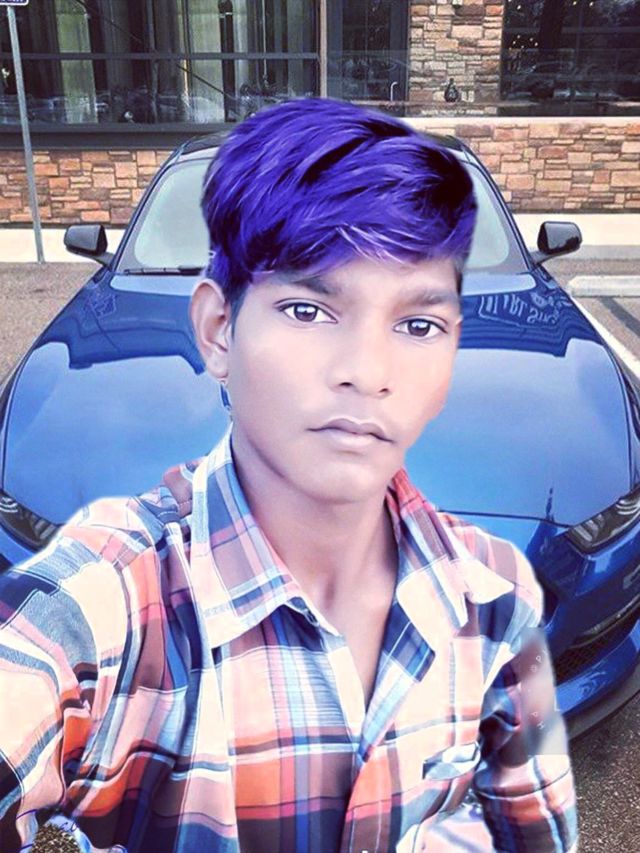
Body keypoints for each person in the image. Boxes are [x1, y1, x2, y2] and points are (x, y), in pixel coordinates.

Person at [0, 98, 577, 852]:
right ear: (218, 330)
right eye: (307, 309)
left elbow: (537, 833)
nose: (368, 372)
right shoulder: (117, 601)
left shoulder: (497, 593)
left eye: (417, 324)